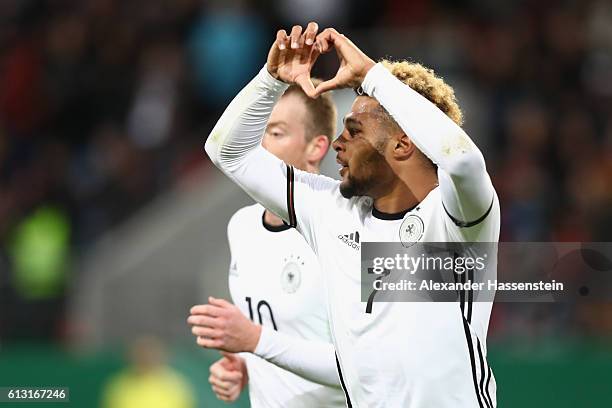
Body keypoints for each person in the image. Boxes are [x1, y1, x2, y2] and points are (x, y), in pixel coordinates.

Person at [201, 22, 500, 408]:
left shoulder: (456, 222)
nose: (338, 146)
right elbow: (227, 152)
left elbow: (463, 161)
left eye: (354, 131)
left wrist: (373, 76)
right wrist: (270, 79)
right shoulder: (332, 213)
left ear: (403, 143)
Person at [188, 81, 346, 407]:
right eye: (260, 131)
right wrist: (245, 367)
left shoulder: (346, 228)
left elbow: (367, 368)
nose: (259, 145)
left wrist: (255, 341)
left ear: (316, 148)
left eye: (276, 133)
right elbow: (282, 338)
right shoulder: (242, 226)